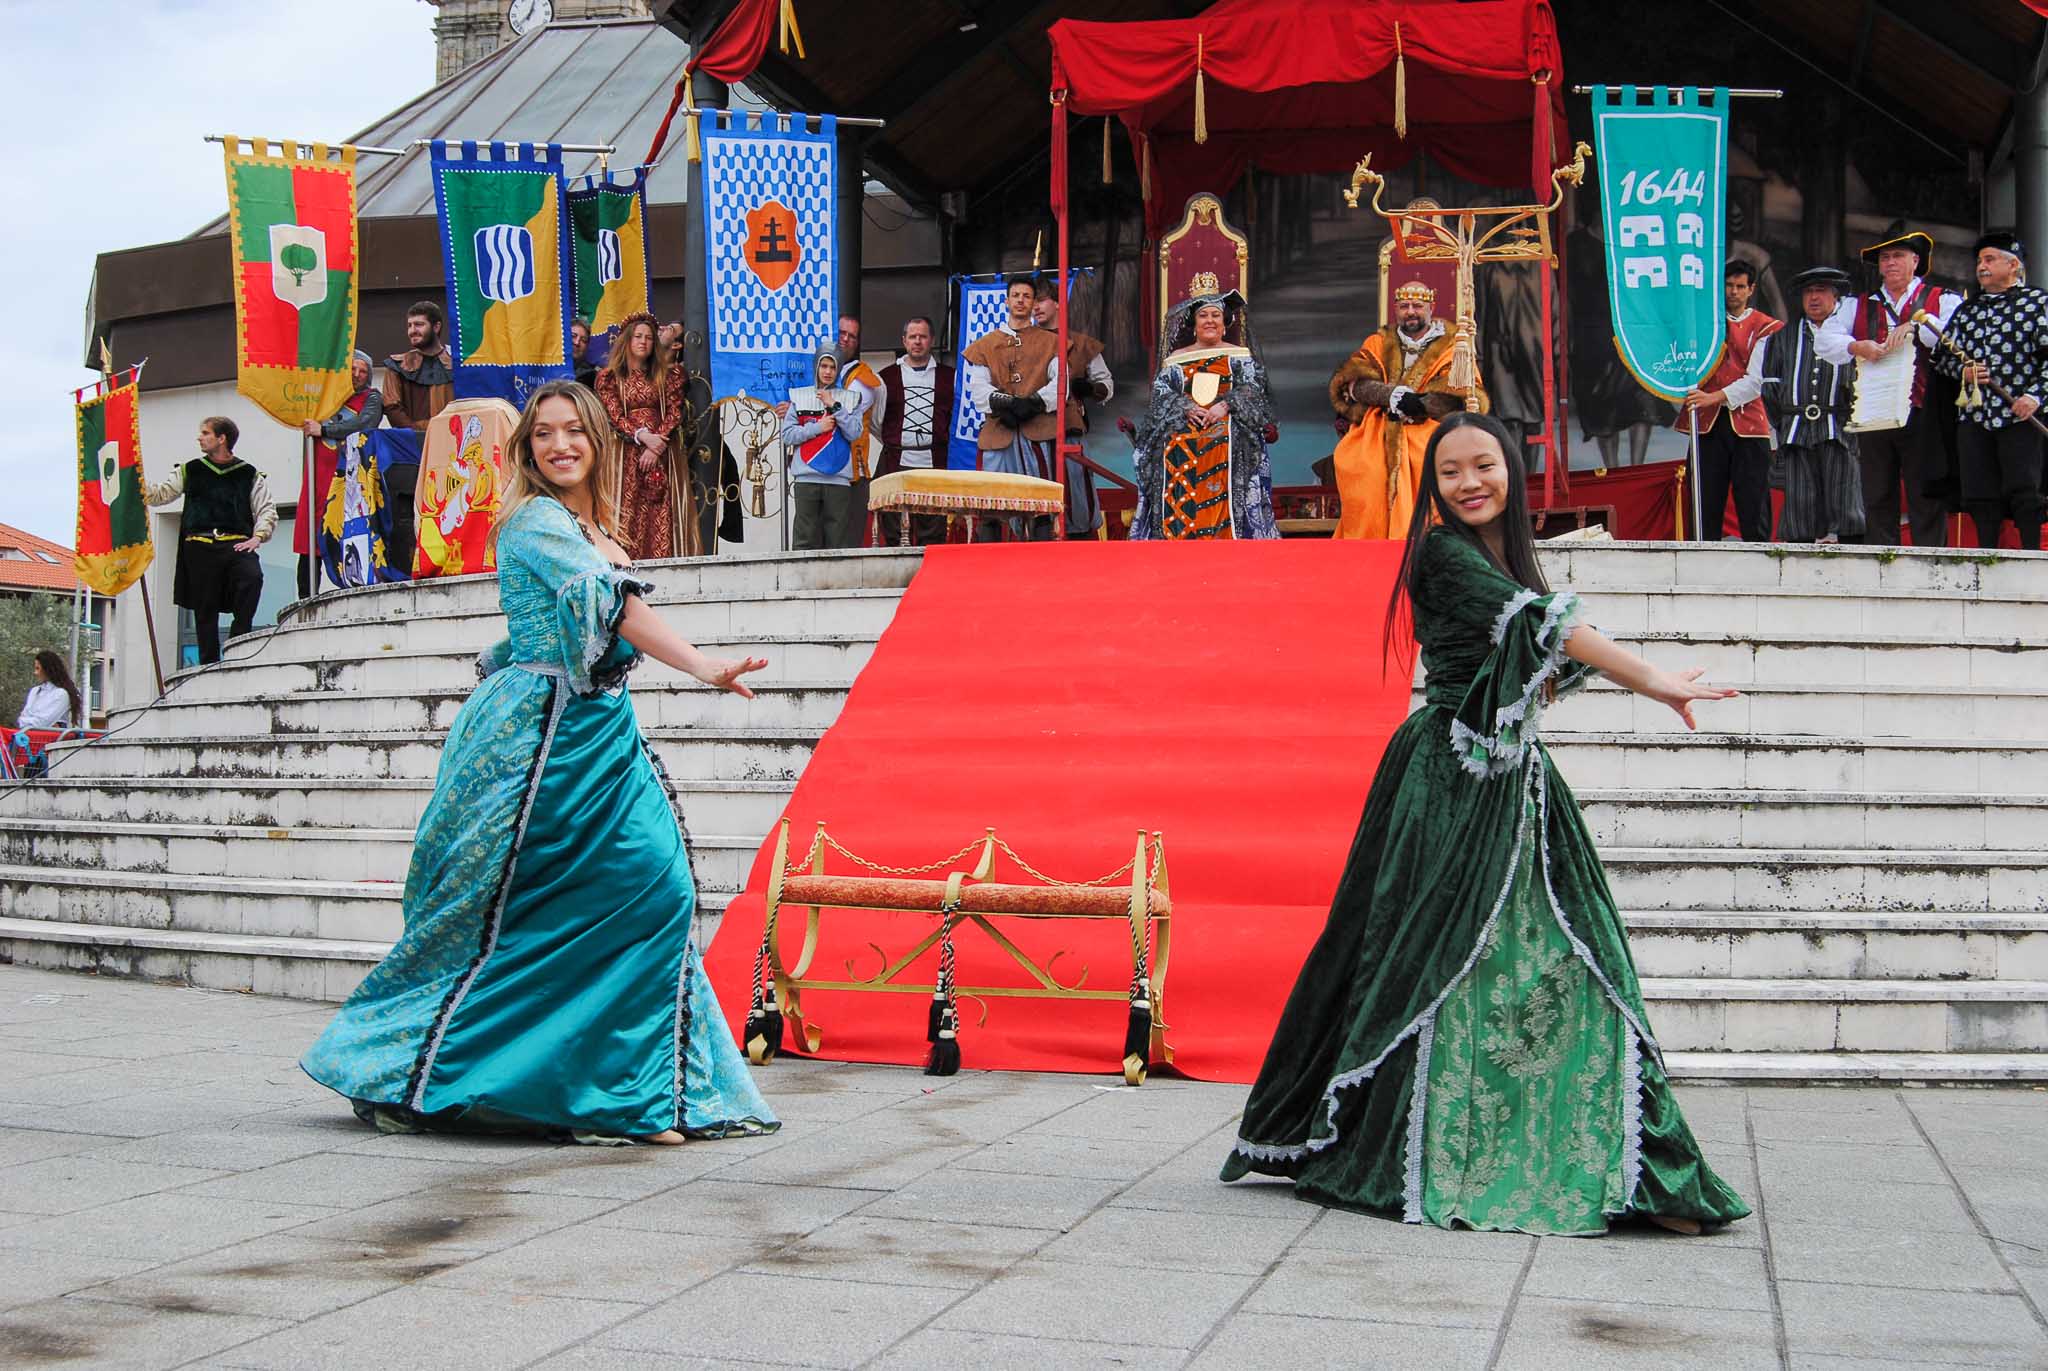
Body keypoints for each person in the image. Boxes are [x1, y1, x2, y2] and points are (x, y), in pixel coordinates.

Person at [1223, 411, 1749, 1235]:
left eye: (1484, 467)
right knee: (1418, 956)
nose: (1469, 483)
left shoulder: (1502, 560)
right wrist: (1653, 679)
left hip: (1511, 780)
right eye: (1451, 472)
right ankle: (1417, 1145)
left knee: (1581, 959)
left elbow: (1543, 656)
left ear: (1512, 472)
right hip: (1446, 778)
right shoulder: (1439, 553)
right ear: (1432, 487)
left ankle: (1622, 1162)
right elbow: (1550, 630)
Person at [299, 379, 778, 1144]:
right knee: (514, 917)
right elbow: (610, 607)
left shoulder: (588, 525)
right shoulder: (535, 521)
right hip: (540, 746)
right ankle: (445, 1073)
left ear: (597, 440)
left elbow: (539, 626)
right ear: (528, 448)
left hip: (598, 735)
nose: (560, 445)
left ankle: (627, 1088)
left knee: (651, 894)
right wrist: (703, 664)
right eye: (545, 433)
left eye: (574, 432)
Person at [1817, 230, 1960, 546]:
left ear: (1915, 261)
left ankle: (1930, 563)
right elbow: (1825, 340)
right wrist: (1858, 346)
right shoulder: (1858, 304)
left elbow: (1953, 336)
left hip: (1923, 408)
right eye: (1885, 258)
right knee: (1877, 490)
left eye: (1898, 256)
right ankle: (1883, 560)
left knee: (1924, 488)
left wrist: (1918, 325)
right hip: (1874, 409)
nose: (1891, 262)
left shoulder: (1942, 299)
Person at [1129, 289, 1280, 540]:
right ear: (1194, 324)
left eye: (1215, 315)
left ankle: (1226, 531)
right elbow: (1162, 391)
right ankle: (1180, 531)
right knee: (1174, 440)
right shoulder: (1177, 359)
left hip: (1229, 420)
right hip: (1185, 420)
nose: (1210, 320)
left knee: (1223, 438)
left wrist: (1226, 405)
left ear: (1224, 324)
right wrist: (1186, 408)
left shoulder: (1239, 356)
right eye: (1203, 315)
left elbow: (1253, 388)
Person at [1929, 232, 2048, 551]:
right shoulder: (1967, 311)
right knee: (1979, 491)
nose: (1981, 266)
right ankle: (1985, 555)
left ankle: (2033, 557)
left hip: (2020, 413)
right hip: (1975, 414)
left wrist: (2035, 396)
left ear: (2013, 265)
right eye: (1979, 260)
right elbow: (1941, 359)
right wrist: (1963, 370)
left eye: (1989, 259)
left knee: (2025, 489)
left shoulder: (2038, 304)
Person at [1331, 280, 1472, 539]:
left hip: (1428, 427)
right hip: (1377, 429)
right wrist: (1392, 395)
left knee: (1429, 466)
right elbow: (1353, 382)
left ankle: (1424, 547)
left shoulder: (1454, 347)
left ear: (1431, 308)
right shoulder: (1378, 342)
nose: (1411, 311)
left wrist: (1417, 406)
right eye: (1404, 306)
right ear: (1396, 309)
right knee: (1363, 471)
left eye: (1417, 306)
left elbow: (1459, 395)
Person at [143, 417, 276, 666]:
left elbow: (266, 509)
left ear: (221, 438)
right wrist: (135, 482)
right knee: (205, 606)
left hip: (235, 543)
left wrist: (258, 537)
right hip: (200, 545)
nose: (200, 437)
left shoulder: (248, 473)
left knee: (252, 577)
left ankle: (239, 641)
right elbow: (162, 494)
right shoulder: (190, 469)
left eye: (205, 433)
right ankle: (208, 665)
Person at [1679, 262, 1782, 541]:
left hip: (1749, 425)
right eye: (1728, 285)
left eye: (1739, 286)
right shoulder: (1702, 323)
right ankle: (1699, 565)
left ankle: (1759, 567)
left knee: (1754, 502)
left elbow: (1755, 381)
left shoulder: (1766, 326)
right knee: (1703, 502)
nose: (1733, 292)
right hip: (1706, 424)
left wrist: (1712, 397)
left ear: (1751, 290)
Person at [1762, 268, 1865, 544]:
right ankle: (1797, 560)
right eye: (1809, 292)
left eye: (1821, 291)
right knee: (1800, 500)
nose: (1814, 298)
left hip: (1841, 429)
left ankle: (1854, 557)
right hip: (1797, 430)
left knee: (1846, 496)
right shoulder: (1782, 338)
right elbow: (1770, 387)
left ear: (1836, 297)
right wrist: (1786, 423)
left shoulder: (1852, 334)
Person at [962, 276, 1064, 540]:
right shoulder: (985, 345)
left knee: (1040, 500)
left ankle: (1041, 562)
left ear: (1034, 304)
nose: (1021, 300)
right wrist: (1006, 404)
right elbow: (978, 387)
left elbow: (1060, 381)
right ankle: (991, 565)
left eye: (1027, 296)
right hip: (999, 430)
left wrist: (1033, 403)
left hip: (1037, 431)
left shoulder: (1051, 342)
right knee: (991, 501)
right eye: (1016, 295)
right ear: (1006, 301)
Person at [595, 311, 695, 559]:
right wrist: (642, 436)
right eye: (638, 337)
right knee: (628, 505)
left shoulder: (668, 376)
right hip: (626, 450)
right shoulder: (610, 378)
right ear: (627, 341)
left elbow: (674, 411)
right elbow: (614, 415)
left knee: (660, 504)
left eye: (649, 338)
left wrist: (657, 443)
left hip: (662, 450)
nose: (643, 342)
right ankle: (624, 559)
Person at [296, 350, 384, 597]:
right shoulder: (324, 397)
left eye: (362, 371)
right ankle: (305, 599)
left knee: (347, 534)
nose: (356, 375)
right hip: (318, 476)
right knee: (309, 541)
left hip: (349, 476)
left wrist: (323, 429)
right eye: (352, 369)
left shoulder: (372, 398)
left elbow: (363, 424)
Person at [1033, 277, 1114, 538]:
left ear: (1057, 303)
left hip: (1069, 428)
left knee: (1077, 492)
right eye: (1031, 300)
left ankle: (1080, 544)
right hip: (1031, 430)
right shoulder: (1021, 344)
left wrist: (1088, 389)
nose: (1035, 306)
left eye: (1041, 299)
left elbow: (1105, 384)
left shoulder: (1080, 343)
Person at [381, 300, 454, 573]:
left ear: (436, 327)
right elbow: (391, 405)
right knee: (413, 510)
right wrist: (420, 434)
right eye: (410, 325)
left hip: (453, 446)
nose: (412, 330)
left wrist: (444, 432)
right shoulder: (397, 365)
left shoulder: (457, 363)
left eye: (419, 324)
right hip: (412, 448)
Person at [873, 316, 953, 546]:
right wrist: (897, 440)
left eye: (923, 336)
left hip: (933, 459)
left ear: (932, 340)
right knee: (893, 522)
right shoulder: (884, 378)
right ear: (904, 340)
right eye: (913, 337)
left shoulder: (949, 376)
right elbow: (877, 421)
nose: (917, 341)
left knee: (933, 523)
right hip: (896, 458)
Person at [782, 346, 863, 550]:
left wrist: (835, 406)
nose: (827, 372)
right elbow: (788, 435)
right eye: (824, 366)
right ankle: (802, 581)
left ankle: (836, 582)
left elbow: (855, 432)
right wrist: (818, 427)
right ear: (816, 367)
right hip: (807, 478)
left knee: (838, 540)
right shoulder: (799, 397)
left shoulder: (851, 399)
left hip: (839, 480)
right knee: (804, 539)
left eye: (833, 367)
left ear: (839, 370)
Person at [833, 315, 884, 548]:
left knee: (847, 542)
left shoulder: (863, 377)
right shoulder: (817, 371)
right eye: (841, 333)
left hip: (852, 471)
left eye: (852, 336)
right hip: (819, 468)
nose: (845, 339)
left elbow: (840, 413)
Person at [17, 650, 81, 731]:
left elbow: (42, 723)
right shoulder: (35, 691)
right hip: (29, 736)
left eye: (38, 668)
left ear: (48, 669)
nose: (35, 672)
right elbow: (22, 718)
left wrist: (27, 721)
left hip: (48, 739)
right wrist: (28, 721)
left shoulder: (61, 694)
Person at [571, 316, 597, 388]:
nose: (577, 342)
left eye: (584, 340)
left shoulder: (589, 376)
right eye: (573, 336)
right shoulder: (547, 366)